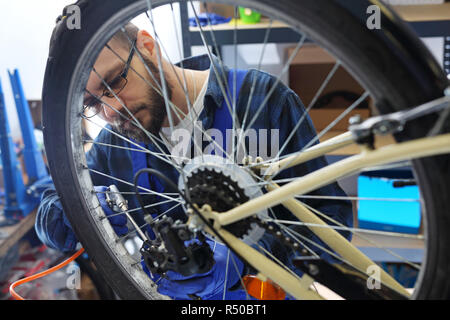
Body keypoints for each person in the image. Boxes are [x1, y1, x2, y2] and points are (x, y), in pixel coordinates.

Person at [36, 22, 353, 300]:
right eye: (92, 102)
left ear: (148, 47)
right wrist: (81, 212)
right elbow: (48, 217)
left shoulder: (260, 99)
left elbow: (331, 221)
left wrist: (252, 257)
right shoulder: (115, 142)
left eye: (115, 81)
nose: (112, 109)